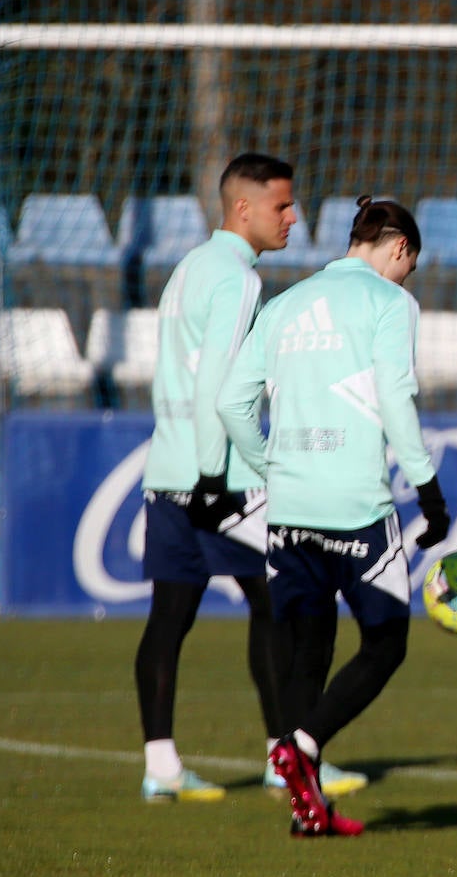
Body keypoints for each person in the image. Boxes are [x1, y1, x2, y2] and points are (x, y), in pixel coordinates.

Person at [135, 153, 367, 803]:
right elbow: (216, 381)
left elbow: (174, 375)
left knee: (170, 617)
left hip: (169, 468)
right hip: (222, 477)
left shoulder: (189, 269)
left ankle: (162, 765)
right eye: (282, 206)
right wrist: (216, 472)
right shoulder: (237, 279)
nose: (293, 217)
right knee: (288, 610)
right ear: (244, 209)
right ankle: (286, 756)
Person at [217, 196, 452, 837]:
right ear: (399, 247)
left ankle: (307, 810)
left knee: (307, 651)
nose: (407, 280)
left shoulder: (285, 304)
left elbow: (233, 403)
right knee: (385, 642)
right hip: (357, 509)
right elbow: (397, 399)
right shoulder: (390, 304)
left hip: (289, 509)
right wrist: (428, 491)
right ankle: (306, 745)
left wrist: (269, 466)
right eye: (410, 267)